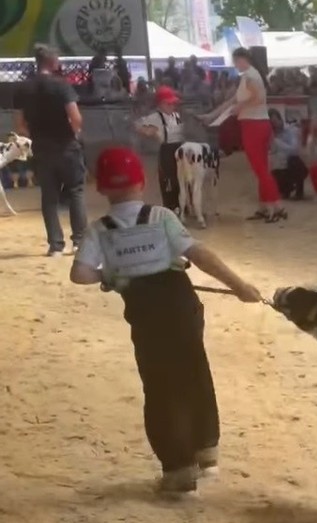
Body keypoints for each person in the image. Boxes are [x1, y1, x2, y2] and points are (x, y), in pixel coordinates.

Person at [69, 147, 262, 494]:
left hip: (146, 317)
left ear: (100, 188)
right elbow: (199, 255)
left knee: (159, 387)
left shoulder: (100, 230)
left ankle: (178, 468)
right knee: (194, 371)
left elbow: (80, 274)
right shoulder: (160, 217)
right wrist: (239, 286)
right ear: (141, 183)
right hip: (181, 306)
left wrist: (112, 276)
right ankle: (207, 450)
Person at [12, 44, 87, 257]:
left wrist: (37, 135)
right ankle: (79, 241)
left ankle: (56, 245)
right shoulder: (62, 86)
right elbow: (75, 117)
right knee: (76, 191)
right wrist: (73, 133)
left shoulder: (23, 88)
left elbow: (19, 124)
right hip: (66, 145)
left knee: (49, 196)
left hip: (42, 146)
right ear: (53, 62)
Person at [200, 48, 285, 222]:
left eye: (235, 61)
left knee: (260, 169)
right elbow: (233, 101)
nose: (235, 65)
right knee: (261, 168)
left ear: (241, 59)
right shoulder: (250, 75)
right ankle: (267, 205)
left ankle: (275, 206)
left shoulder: (250, 76)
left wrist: (241, 107)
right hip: (257, 123)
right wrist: (212, 115)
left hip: (253, 124)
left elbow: (257, 98)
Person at [135, 85, 185, 212]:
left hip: (180, 151)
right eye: (168, 104)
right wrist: (148, 131)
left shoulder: (176, 116)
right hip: (166, 153)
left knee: (181, 179)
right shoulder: (155, 117)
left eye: (173, 103)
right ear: (160, 104)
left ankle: (182, 205)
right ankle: (170, 207)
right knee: (168, 181)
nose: (172, 106)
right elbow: (138, 125)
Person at [269, 108, 308, 200]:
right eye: (272, 122)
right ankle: (286, 189)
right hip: (279, 166)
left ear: (280, 119)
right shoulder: (271, 135)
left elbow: (294, 150)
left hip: (293, 164)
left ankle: (299, 191)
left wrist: (278, 143)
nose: (274, 124)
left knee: (293, 160)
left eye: (275, 121)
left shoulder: (291, 130)